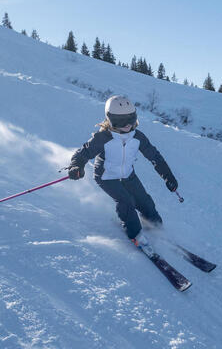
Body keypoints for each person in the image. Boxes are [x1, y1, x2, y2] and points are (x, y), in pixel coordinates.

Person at [67, 95, 178, 247]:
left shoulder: (138, 137)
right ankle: (135, 234)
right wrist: (76, 166)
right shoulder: (102, 137)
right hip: (106, 177)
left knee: (144, 201)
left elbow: (155, 157)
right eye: (120, 121)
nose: (126, 125)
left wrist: (168, 176)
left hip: (128, 175)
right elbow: (83, 153)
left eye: (130, 119)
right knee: (126, 202)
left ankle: (155, 228)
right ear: (110, 119)